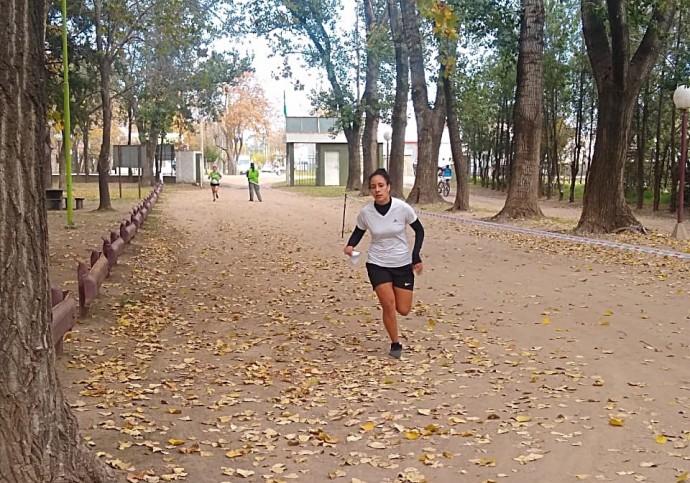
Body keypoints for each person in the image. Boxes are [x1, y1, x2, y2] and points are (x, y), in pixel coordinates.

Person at [343, 168, 425, 359]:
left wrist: (416, 256)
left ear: (389, 187)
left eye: (381, 185)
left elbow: (419, 231)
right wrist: (350, 245)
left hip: (402, 263)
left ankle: (396, 319)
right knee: (388, 305)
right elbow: (358, 231)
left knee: (403, 309)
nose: (377, 190)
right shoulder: (366, 212)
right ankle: (395, 344)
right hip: (377, 263)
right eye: (373, 187)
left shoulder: (402, 208)